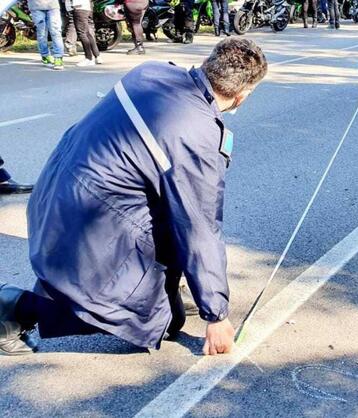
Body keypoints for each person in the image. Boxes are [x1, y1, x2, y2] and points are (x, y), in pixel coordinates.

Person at [0, 38, 269, 356]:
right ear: (241, 96)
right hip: (89, 221)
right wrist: (216, 314)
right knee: (143, 319)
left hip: (57, 192)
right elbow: (199, 227)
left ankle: (162, 294)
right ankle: (16, 309)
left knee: (168, 216)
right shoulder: (197, 133)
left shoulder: (152, 72)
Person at [30, 0, 65, 70]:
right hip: (36, 7)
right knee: (41, 33)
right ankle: (45, 56)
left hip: (53, 6)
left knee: (56, 31)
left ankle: (58, 57)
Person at [72, 0, 102, 66]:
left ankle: (88, 58)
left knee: (82, 33)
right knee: (87, 33)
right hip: (87, 7)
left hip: (79, 7)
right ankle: (97, 55)